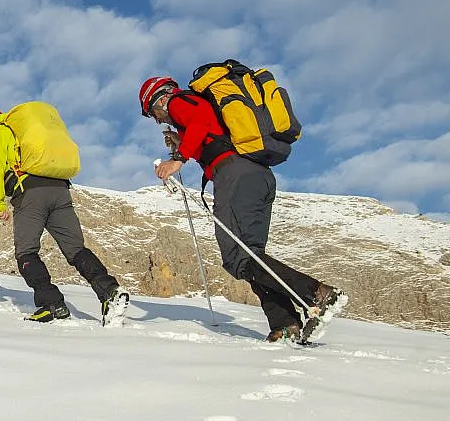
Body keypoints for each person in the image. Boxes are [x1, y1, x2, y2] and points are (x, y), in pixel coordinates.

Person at [140, 76, 346, 342]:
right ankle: (285, 325)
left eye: (153, 113)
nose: (158, 120)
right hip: (257, 175)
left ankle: (317, 293)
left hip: (234, 174)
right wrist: (182, 144)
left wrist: (179, 159)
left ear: (161, 98)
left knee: (238, 256)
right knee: (251, 256)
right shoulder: (199, 110)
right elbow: (208, 132)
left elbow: (200, 118)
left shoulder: (179, 101)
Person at [0, 103, 129, 324]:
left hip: (30, 192)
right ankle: (110, 292)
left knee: (26, 252)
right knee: (76, 250)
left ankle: (52, 304)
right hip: (60, 189)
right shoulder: (22, 128)